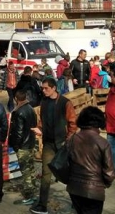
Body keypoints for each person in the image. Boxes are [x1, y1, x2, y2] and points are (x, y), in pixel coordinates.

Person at [30, 77, 77, 214]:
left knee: (69, 175)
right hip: (49, 144)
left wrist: (68, 141)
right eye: (43, 88)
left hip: (63, 144)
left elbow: (72, 124)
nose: (44, 91)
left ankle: (76, 203)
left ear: (54, 88)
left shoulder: (65, 103)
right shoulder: (44, 102)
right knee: (46, 174)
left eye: (46, 88)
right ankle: (42, 205)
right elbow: (42, 121)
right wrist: (40, 129)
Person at [66, 106, 115, 214]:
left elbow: (65, 163)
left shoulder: (72, 139)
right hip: (94, 191)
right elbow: (109, 173)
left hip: (74, 188)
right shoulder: (103, 143)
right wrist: (105, 184)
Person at [8, 89, 37, 206]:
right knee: (31, 170)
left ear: (16, 99)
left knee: (26, 172)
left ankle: (29, 195)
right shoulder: (31, 109)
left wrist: (16, 145)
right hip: (31, 143)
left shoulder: (19, 112)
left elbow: (18, 132)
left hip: (23, 146)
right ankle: (34, 193)